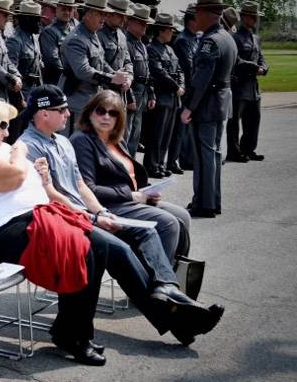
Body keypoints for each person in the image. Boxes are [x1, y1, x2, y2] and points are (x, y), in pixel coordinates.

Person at [0, 97, 222, 360]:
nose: (7, 131)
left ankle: (157, 316)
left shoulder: (3, 150)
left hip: (39, 217)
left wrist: (49, 183)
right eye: (2, 125)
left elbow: (43, 190)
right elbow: (13, 180)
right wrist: (20, 153)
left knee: (107, 245)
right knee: (83, 250)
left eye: (8, 125)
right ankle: (78, 334)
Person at [20, 85, 223, 344]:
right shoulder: (29, 146)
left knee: (149, 229)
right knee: (123, 251)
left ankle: (170, 293)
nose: (68, 114)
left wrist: (101, 211)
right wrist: (96, 218)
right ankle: (177, 317)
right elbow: (50, 195)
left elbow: (80, 185)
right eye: (61, 110)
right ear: (43, 113)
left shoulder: (60, 141)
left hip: (86, 213)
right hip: (63, 219)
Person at [71, 90, 192, 261]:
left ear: (119, 118)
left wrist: (148, 191)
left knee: (182, 215)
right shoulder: (82, 141)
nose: (106, 117)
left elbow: (128, 175)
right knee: (169, 223)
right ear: (90, 112)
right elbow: (88, 189)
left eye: (113, 113)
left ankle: (170, 273)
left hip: (129, 201)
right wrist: (132, 195)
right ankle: (156, 281)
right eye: (101, 111)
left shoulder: (116, 139)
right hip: (106, 207)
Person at [181, 0, 238, 218]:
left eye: (198, 12)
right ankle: (212, 200)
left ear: (206, 13)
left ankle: (204, 203)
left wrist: (189, 107)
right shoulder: (227, 38)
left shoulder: (210, 41)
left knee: (204, 156)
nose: (196, 16)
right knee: (213, 154)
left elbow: (201, 80)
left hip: (206, 104)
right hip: (221, 102)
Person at [59, 0, 130, 136]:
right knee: (73, 145)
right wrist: (111, 79)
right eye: (101, 14)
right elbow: (83, 70)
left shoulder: (92, 34)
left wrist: (115, 75)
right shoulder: (76, 39)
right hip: (76, 100)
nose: (104, 18)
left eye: (105, 14)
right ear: (88, 14)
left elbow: (101, 62)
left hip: (90, 100)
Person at [145, 13, 185, 178]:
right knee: (157, 134)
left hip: (173, 98)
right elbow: (159, 72)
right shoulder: (151, 49)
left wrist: (181, 85)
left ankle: (161, 164)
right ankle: (152, 166)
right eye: (170, 30)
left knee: (167, 134)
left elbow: (179, 70)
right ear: (161, 31)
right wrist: (176, 87)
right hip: (161, 96)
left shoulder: (170, 49)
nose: (172, 33)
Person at [227, 0, 268, 162]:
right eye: (254, 16)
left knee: (253, 120)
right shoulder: (235, 38)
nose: (256, 20)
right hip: (239, 85)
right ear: (245, 18)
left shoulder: (256, 38)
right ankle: (234, 152)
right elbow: (236, 60)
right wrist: (254, 67)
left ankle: (248, 149)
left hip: (253, 88)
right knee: (234, 122)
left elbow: (261, 56)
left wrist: (264, 67)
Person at [169, 3, 201, 173]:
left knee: (188, 128)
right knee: (181, 129)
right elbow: (189, 67)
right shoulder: (183, 40)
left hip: (192, 88)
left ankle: (189, 158)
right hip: (186, 88)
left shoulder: (194, 39)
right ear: (191, 21)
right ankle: (181, 159)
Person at [6, 0, 44, 139]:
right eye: (36, 20)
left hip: (32, 93)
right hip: (20, 96)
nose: (39, 23)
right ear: (26, 20)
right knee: (16, 134)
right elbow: (11, 71)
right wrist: (19, 99)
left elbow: (38, 68)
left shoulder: (33, 38)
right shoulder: (14, 40)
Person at [123, 3, 156, 156]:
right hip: (131, 94)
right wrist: (129, 98)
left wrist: (151, 93)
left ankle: (133, 173)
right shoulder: (125, 42)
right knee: (125, 135)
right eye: (140, 22)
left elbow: (147, 72)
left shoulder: (142, 44)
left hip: (141, 95)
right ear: (129, 21)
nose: (144, 26)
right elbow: (125, 72)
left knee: (135, 137)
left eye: (146, 23)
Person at [96, 0, 134, 116]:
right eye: (120, 15)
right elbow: (99, 61)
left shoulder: (122, 36)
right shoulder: (98, 33)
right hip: (103, 91)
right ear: (110, 14)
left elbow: (127, 61)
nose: (124, 19)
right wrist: (115, 76)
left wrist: (128, 78)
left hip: (120, 94)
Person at [39, 0, 78, 86]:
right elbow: (53, 60)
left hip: (74, 81)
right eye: (63, 9)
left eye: (69, 9)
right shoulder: (49, 31)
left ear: (73, 11)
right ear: (57, 10)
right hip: (57, 82)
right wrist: (74, 73)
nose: (67, 12)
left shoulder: (75, 30)